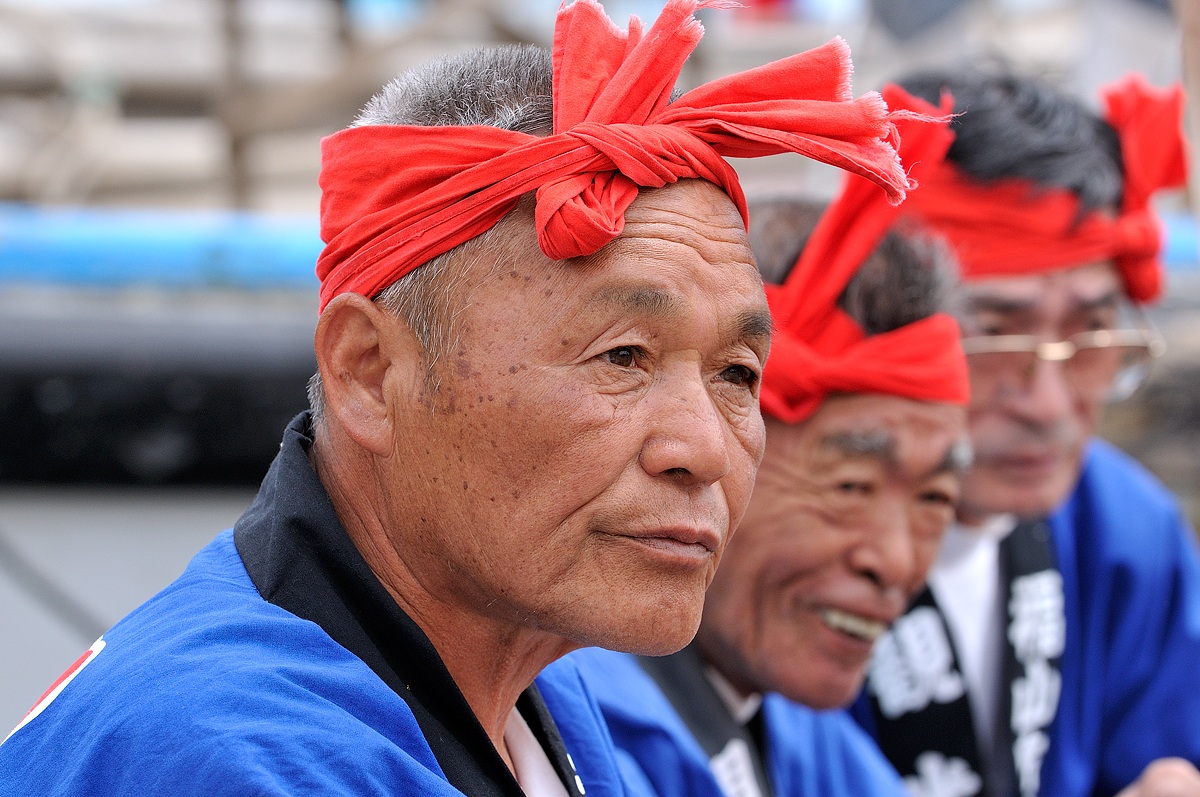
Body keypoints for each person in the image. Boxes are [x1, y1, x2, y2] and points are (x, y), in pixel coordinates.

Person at [0, 2, 922, 795]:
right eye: (624, 355)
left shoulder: (534, 686)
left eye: (737, 375)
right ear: (370, 370)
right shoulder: (234, 756)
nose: (704, 449)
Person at [562, 87, 972, 797]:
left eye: (935, 498)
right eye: (851, 486)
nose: (897, 562)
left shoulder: (801, 734)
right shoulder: (574, 723)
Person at [853, 66, 1200, 797]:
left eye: (1091, 333)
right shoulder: (778, 554)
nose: (1045, 404)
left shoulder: (1126, 534)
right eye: (995, 340)